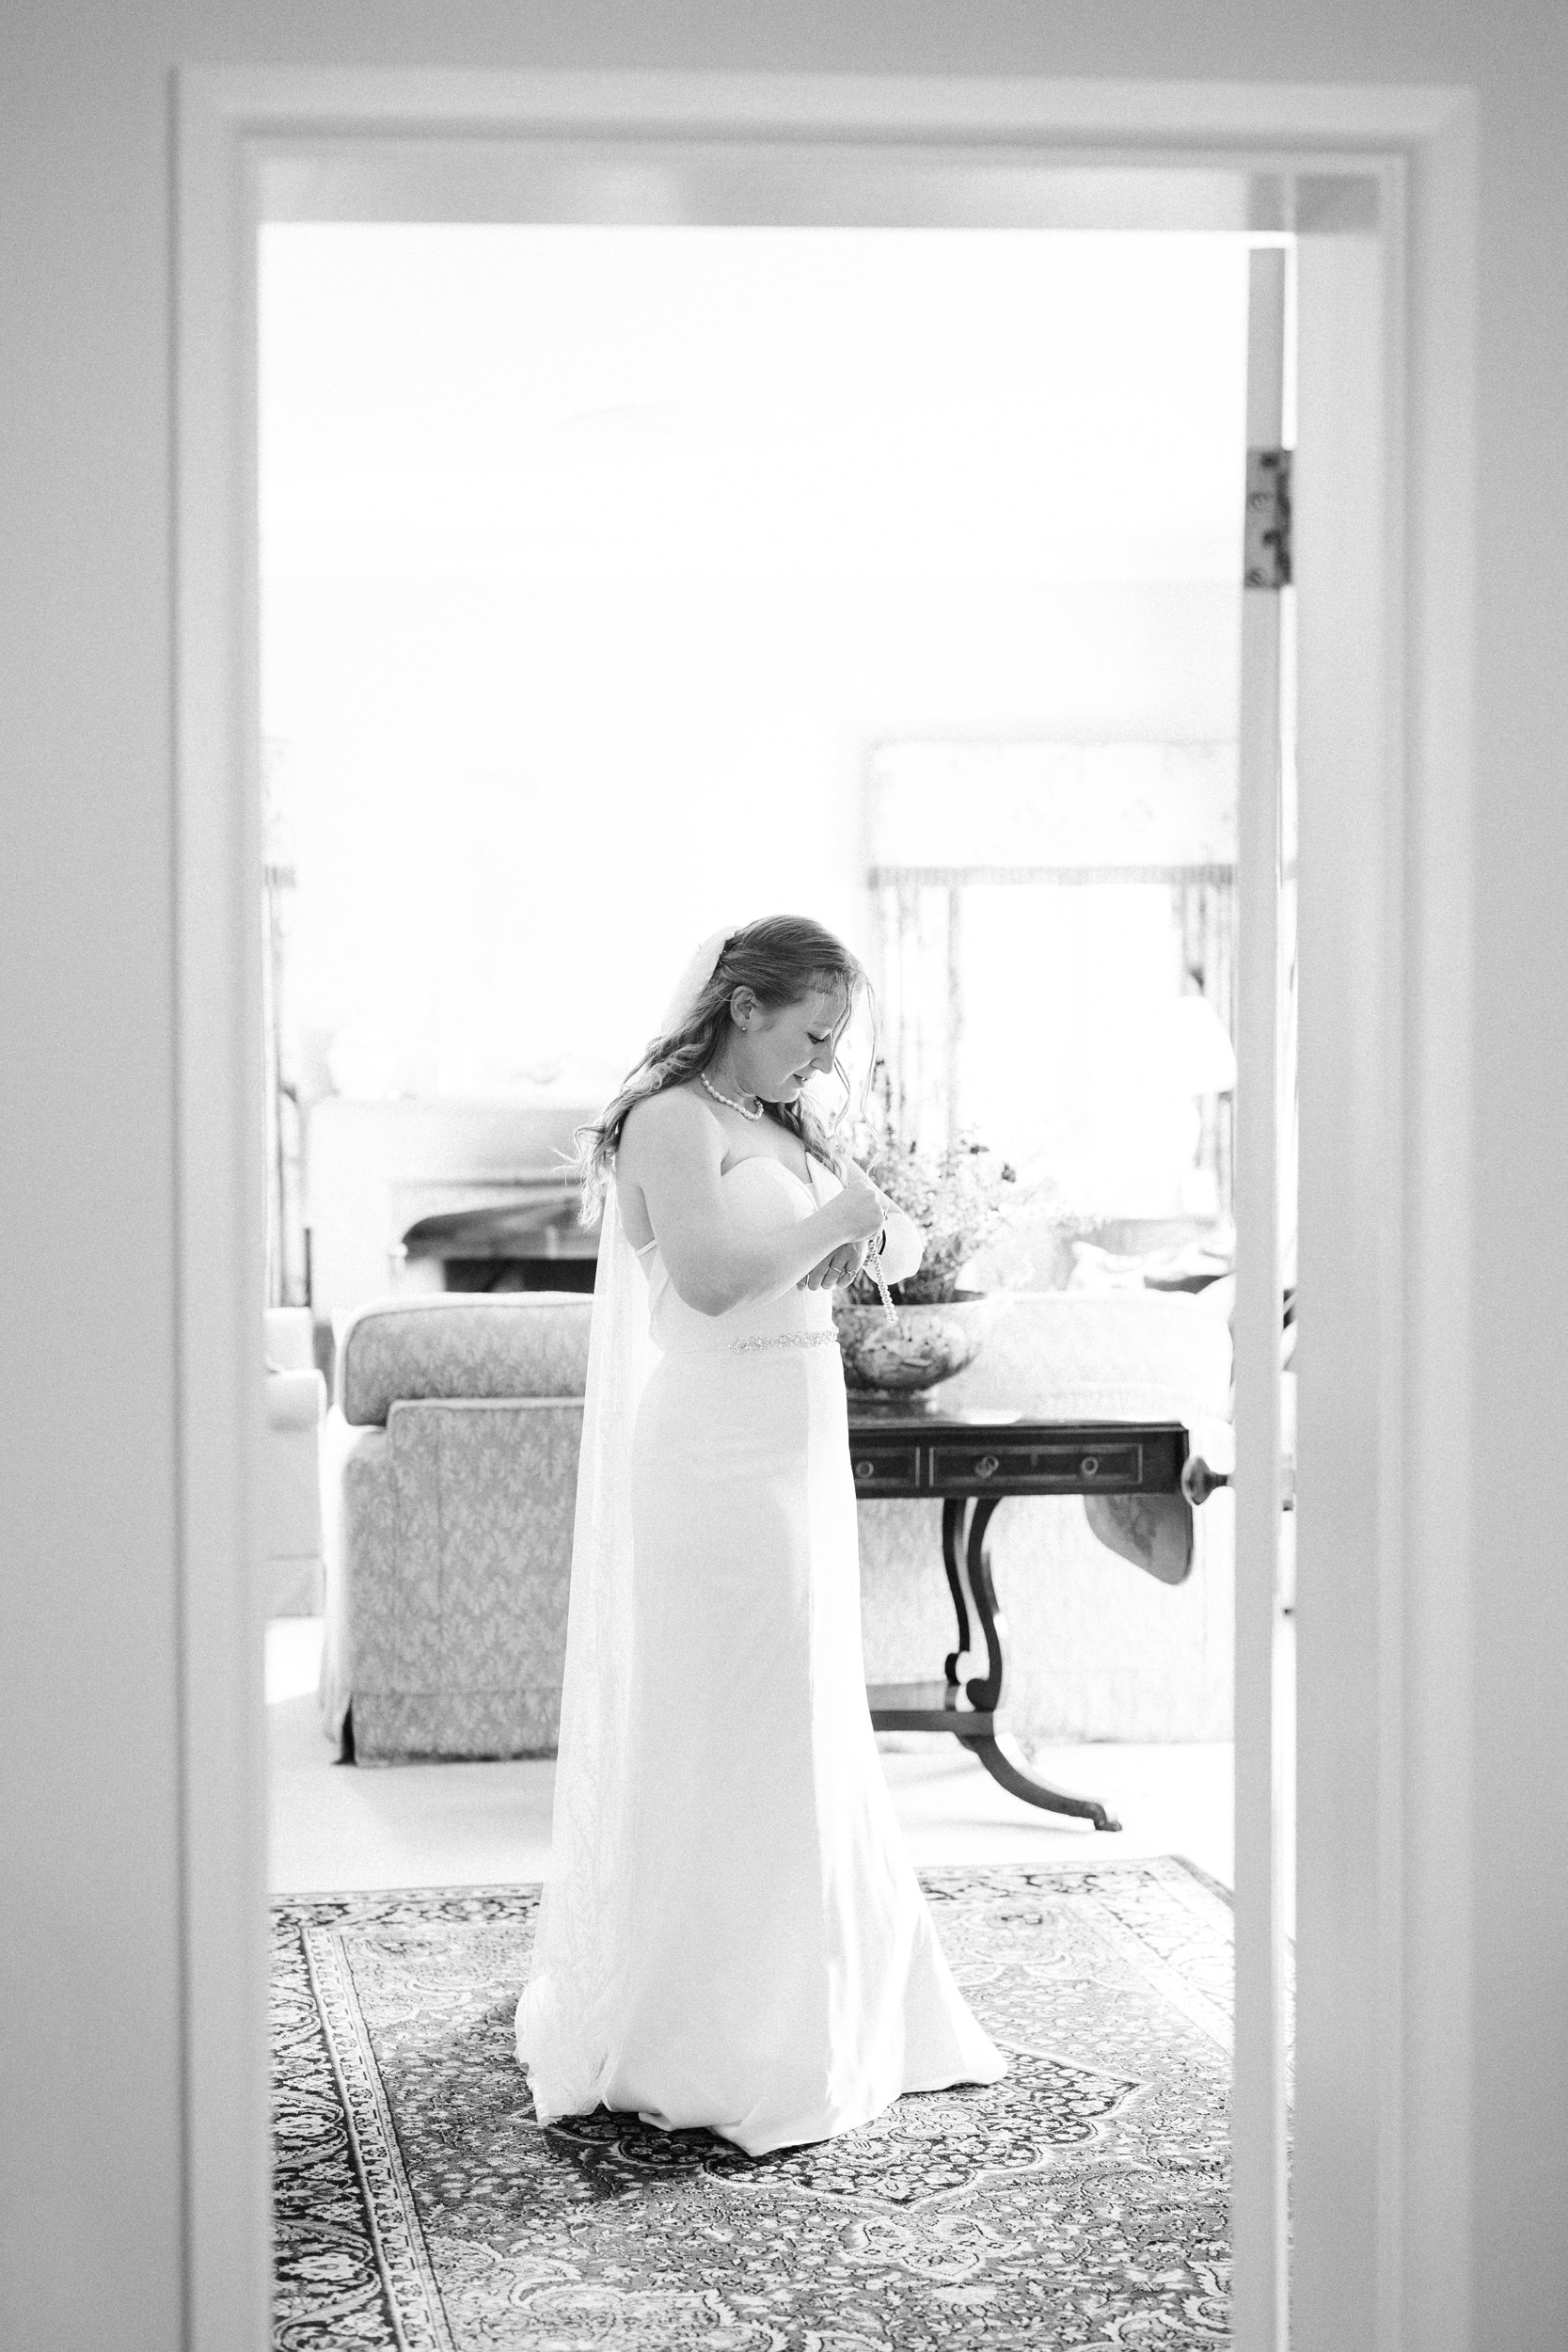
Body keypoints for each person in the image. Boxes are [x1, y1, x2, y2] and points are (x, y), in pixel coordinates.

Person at [515, 915, 1005, 2155]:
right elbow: (716, 1279)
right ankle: (714, 2029)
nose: (824, 1066)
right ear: (746, 1007)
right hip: (712, 1460)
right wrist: (839, 1213)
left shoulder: (775, 1127)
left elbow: (803, 1277)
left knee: (802, 1719)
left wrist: (859, 1234)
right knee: (732, 1724)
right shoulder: (669, 1119)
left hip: (792, 1450)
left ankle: (822, 1999)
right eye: (814, 1036)